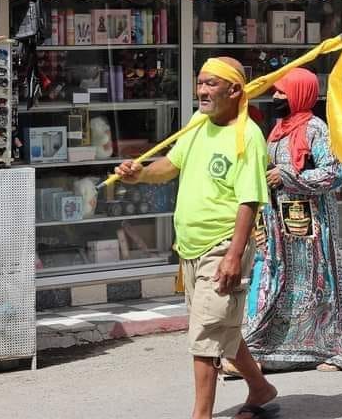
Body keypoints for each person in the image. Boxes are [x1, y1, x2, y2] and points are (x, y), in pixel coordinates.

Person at [115, 57, 277, 419]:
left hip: (221, 245)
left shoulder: (247, 136)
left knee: (206, 334)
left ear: (235, 90)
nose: (202, 91)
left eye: (211, 84)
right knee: (219, 327)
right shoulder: (197, 122)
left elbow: (250, 200)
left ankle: (200, 415)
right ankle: (261, 388)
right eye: (200, 83)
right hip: (189, 246)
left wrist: (234, 255)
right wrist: (139, 174)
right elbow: (171, 165)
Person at [242, 67, 342, 372]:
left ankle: (333, 350)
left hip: (313, 231)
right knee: (276, 284)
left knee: (319, 287)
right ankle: (266, 351)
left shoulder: (317, 129)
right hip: (281, 227)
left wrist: (288, 175)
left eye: (283, 92)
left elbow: (335, 173)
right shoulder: (278, 130)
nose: (276, 97)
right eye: (276, 91)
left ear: (299, 94)